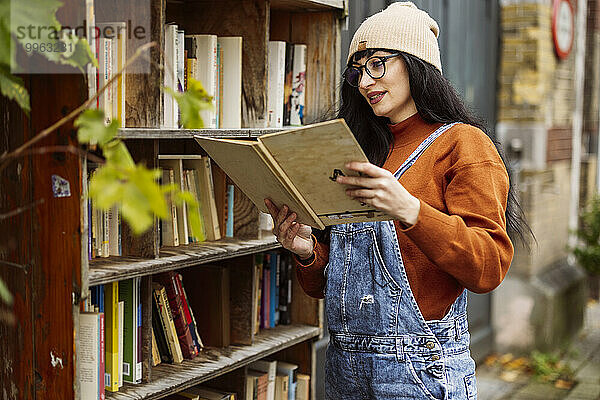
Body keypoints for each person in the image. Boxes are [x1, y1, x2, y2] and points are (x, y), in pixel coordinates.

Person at [264, 2, 531, 399]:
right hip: (344, 368)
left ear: (416, 63)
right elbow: (341, 288)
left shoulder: (462, 144)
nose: (366, 81)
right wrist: (307, 252)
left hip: (420, 372)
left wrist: (410, 209)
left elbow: (487, 267)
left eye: (378, 63)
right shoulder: (360, 150)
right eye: (358, 70)